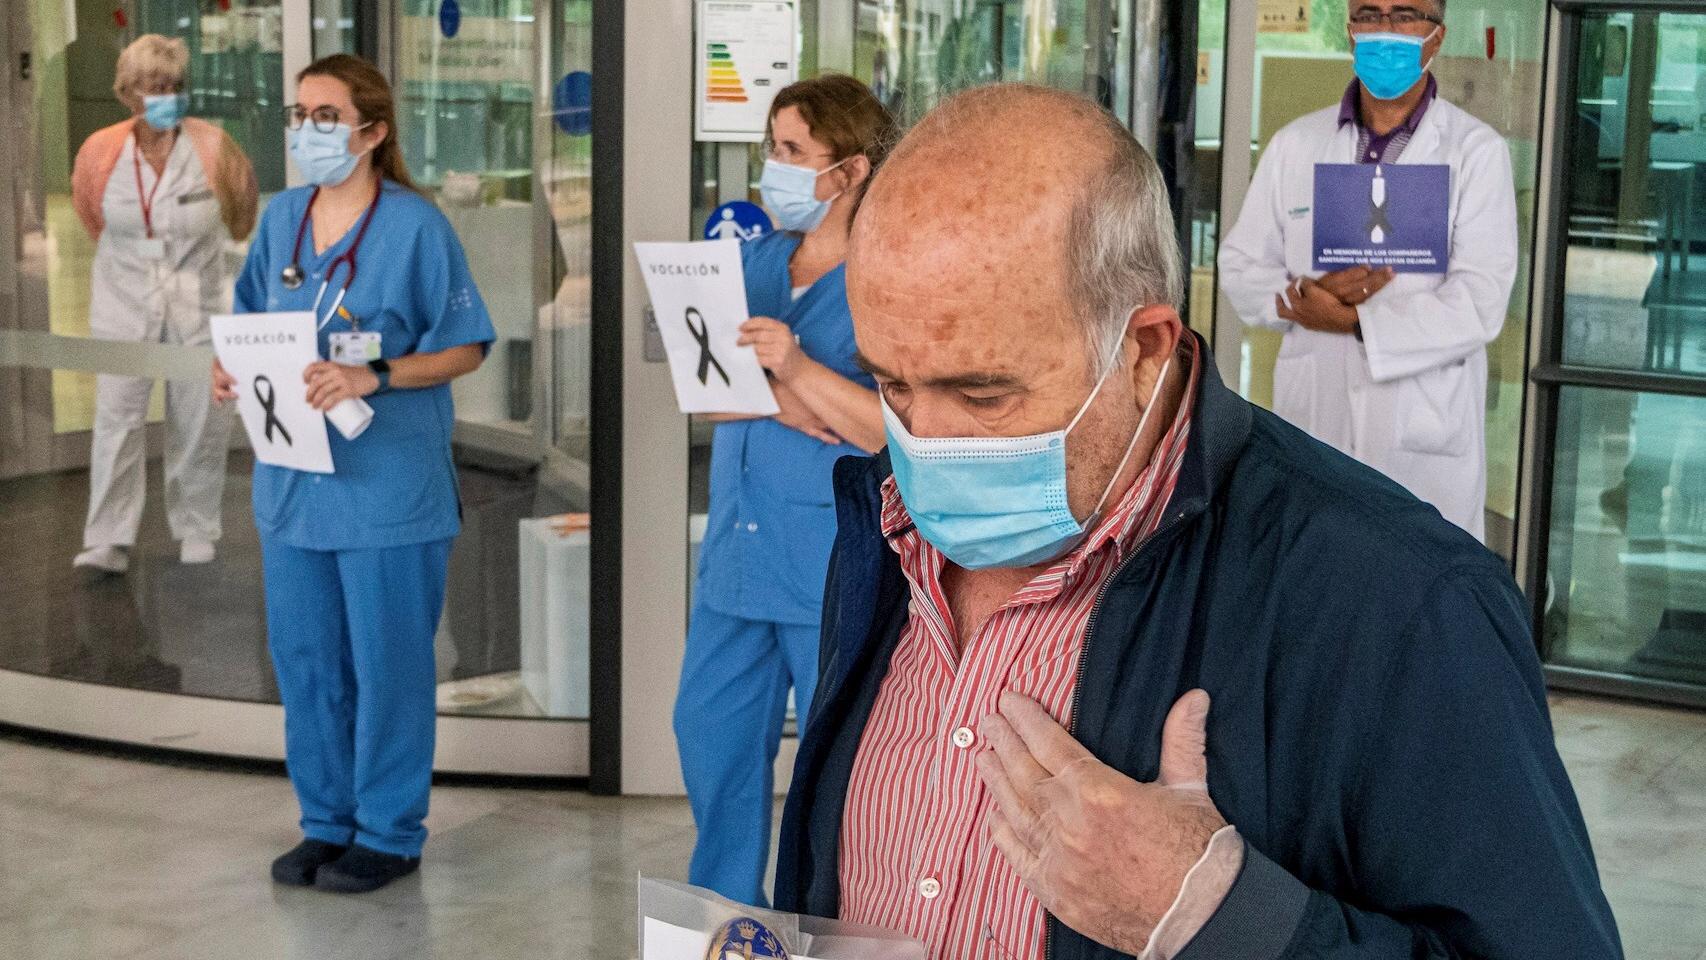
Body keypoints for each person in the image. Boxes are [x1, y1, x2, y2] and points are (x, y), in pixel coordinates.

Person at [773, 84, 1621, 960]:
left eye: (983, 393)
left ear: (1142, 349)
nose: (924, 446)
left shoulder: (1397, 605)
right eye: (893, 384)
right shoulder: (879, 530)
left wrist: (1217, 914)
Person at [213, 54, 493, 893]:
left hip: (387, 490)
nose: (307, 131)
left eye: (325, 116)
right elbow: (253, 320)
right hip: (295, 485)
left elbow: (467, 344)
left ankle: (389, 831)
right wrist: (233, 369)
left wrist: (376, 376)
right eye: (299, 115)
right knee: (307, 664)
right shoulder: (281, 220)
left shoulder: (415, 227)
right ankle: (325, 822)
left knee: (388, 667)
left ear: (372, 131)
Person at [673, 74, 896, 906]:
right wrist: (790, 397)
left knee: (835, 772)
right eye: (772, 146)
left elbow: (887, 431)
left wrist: (796, 368)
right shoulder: (754, 262)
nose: (774, 166)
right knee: (710, 739)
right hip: (737, 554)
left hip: (828, 566)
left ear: (850, 170)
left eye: (794, 151)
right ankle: (728, 926)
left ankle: (820, 925)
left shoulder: (886, 279)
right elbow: (704, 390)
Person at [1217, 0, 1517, 541]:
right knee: (1316, 579)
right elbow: (1240, 264)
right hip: (1316, 413)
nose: (1385, 31)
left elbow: (1481, 299)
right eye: (1370, 14)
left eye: (1405, 15)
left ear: (1437, 37)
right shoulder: (1296, 145)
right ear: (1350, 30)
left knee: (1419, 587)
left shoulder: (1475, 152)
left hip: (1423, 427)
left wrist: (1355, 322)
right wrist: (1301, 296)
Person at [71, 34, 257, 573]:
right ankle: (108, 537)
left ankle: (197, 526)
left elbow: (242, 212)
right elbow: (91, 215)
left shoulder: (214, 147)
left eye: (175, 86)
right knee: (117, 419)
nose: (167, 97)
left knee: (200, 416)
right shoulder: (100, 151)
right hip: (124, 300)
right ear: (129, 93)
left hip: (197, 301)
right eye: (155, 87)